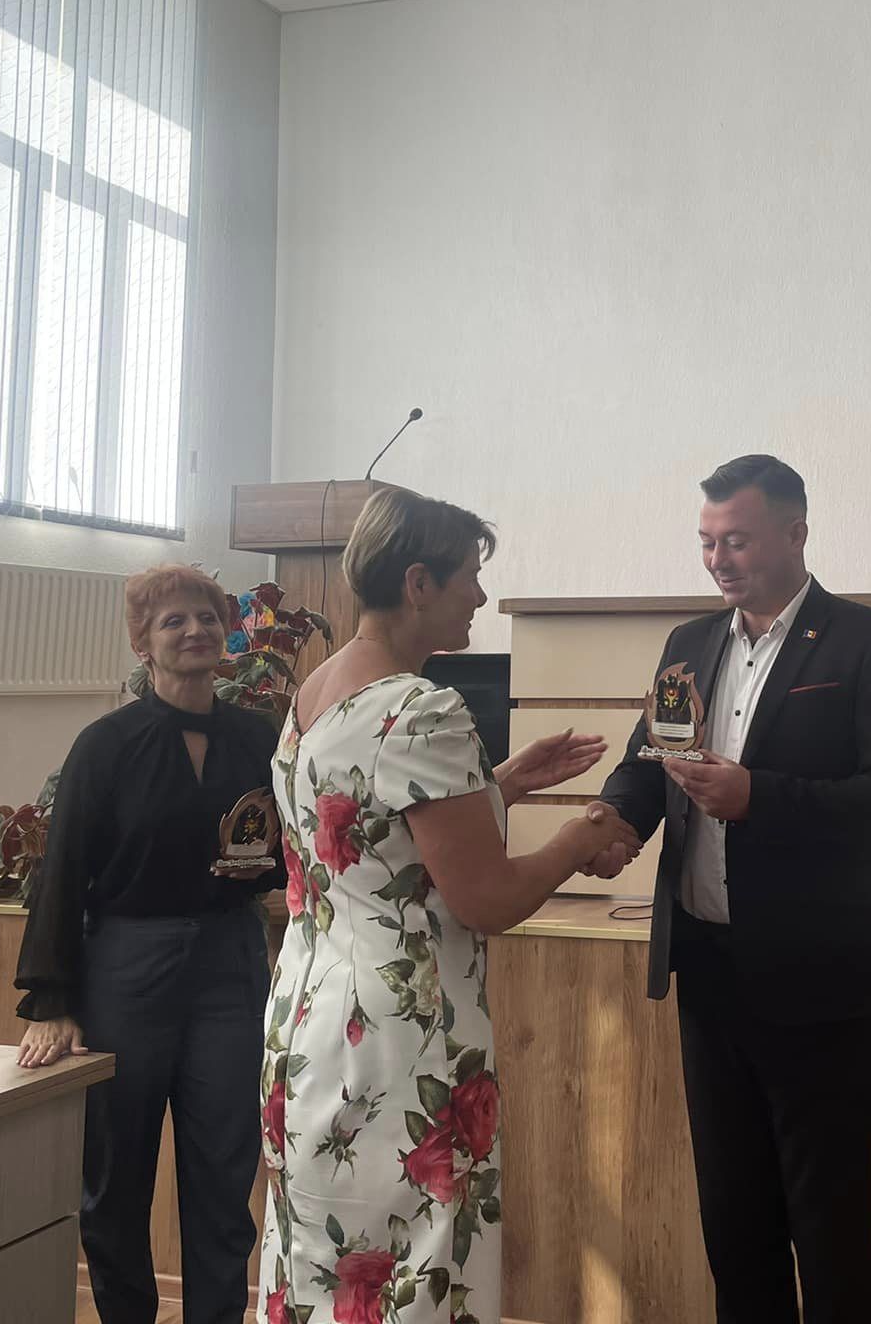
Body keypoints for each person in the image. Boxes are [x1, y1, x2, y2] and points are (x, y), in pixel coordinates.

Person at [258, 487, 637, 1324]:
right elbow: (487, 899)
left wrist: (498, 783)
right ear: (419, 583)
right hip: (400, 1033)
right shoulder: (423, 708)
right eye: (470, 576)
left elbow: (366, 833)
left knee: (324, 1261)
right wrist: (582, 835)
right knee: (412, 1265)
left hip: (310, 1020)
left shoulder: (316, 690)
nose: (481, 596)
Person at [589, 454, 871, 1324]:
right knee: (734, 1223)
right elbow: (650, 763)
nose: (718, 560)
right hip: (709, 974)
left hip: (821, 980)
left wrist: (758, 797)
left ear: (795, 533)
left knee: (830, 1228)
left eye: (736, 540)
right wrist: (612, 821)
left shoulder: (868, 641)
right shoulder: (689, 644)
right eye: (707, 541)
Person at [15, 563, 284, 1324]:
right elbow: (62, 871)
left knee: (224, 1175)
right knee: (115, 1177)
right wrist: (53, 1000)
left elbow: (287, 845)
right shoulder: (104, 746)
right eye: (174, 621)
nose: (196, 630)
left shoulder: (258, 738)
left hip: (230, 966)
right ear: (143, 643)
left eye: (207, 617)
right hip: (127, 970)